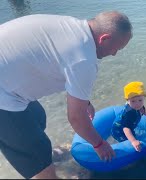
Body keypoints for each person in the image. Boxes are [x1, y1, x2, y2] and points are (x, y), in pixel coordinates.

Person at [0, 11, 133, 179]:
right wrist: (99, 145)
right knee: (38, 158)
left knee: (37, 116)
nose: (114, 54)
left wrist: (84, 101)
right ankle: (40, 165)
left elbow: (57, 59)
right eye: (117, 48)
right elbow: (76, 118)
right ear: (104, 38)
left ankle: (44, 155)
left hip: (6, 78)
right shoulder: (84, 60)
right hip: (3, 99)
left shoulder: (72, 26)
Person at [111, 81, 146, 152]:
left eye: (140, 100)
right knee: (127, 141)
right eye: (133, 101)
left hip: (127, 126)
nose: (137, 104)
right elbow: (126, 128)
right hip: (119, 131)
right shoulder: (129, 113)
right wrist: (133, 141)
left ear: (144, 98)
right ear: (127, 100)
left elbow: (142, 109)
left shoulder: (138, 106)